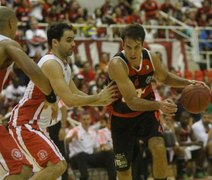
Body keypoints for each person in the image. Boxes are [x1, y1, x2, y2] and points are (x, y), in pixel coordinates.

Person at [8, 22, 117, 180]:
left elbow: (76, 93)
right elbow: (70, 100)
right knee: (58, 165)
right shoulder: (51, 63)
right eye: (69, 40)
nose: (73, 44)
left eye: (73, 40)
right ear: (55, 42)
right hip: (25, 123)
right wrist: (99, 97)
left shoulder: (64, 65)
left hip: (36, 126)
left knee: (41, 172)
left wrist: (102, 101)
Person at [107, 24, 203, 180]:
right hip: (121, 118)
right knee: (124, 171)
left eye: (136, 47)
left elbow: (165, 78)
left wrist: (189, 83)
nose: (132, 52)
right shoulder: (117, 64)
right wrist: (160, 105)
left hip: (146, 113)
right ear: (122, 44)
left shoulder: (151, 58)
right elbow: (131, 101)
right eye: (128, 47)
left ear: (143, 45)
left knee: (159, 147)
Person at [0, 6, 57, 179]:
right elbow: (31, 69)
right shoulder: (7, 43)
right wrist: (51, 95)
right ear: (11, 23)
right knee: (21, 169)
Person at [65, 109, 116, 180]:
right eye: (84, 119)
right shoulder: (74, 130)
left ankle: (113, 178)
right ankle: (84, 177)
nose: (86, 121)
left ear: (90, 120)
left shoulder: (93, 132)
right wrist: (72, 137)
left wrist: (103, 149)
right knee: (81, 155)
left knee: (109, 153)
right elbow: (66, 141)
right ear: (80, 120)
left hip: (89, 157)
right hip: (76, 159)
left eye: (87, 119)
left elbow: (97, 148)